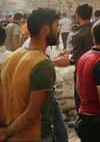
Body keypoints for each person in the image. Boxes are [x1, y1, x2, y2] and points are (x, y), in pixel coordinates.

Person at [0, 7, 60, 142]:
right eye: (57, 26)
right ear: (46, 29)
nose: (59, 30)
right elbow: (31, 115)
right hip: (34, 136)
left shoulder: (11, 57)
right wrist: (5, 133)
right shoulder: (43, 63)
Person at [72, 3, 95, 113]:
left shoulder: (78, 35)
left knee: (82, 102)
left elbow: (79, 59)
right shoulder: (96, 30)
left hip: (83, 73)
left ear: (77, 15)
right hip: (97, 69)